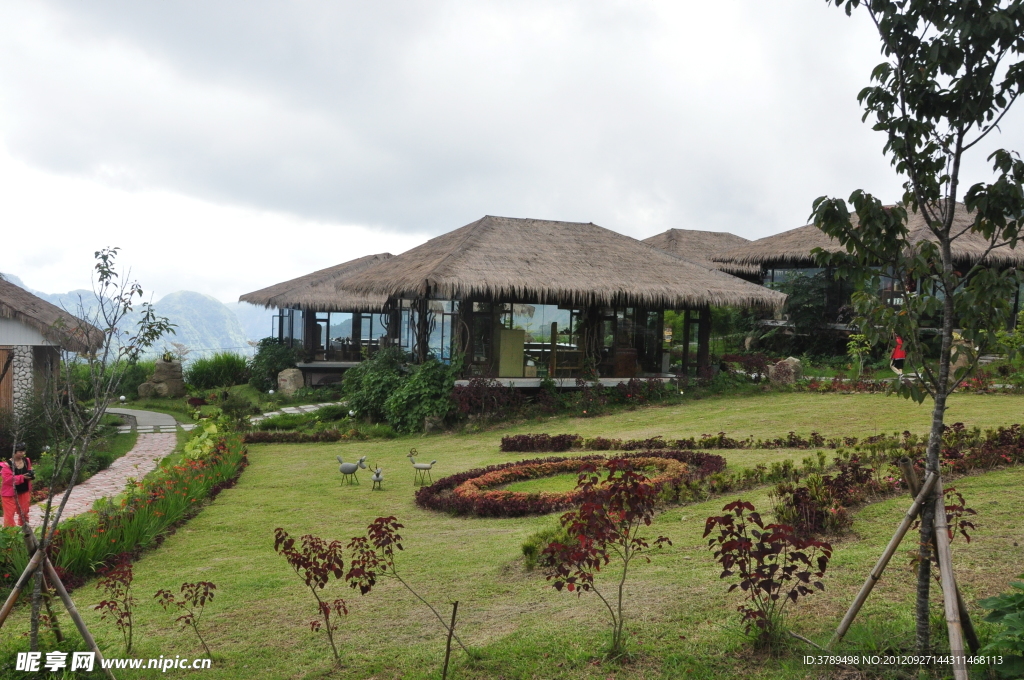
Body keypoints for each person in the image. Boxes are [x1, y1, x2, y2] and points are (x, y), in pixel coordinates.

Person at [1, 442, 34, 527]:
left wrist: (31, 476)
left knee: (24, 512)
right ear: (14, 452)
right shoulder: (6, 465)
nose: (22, 453)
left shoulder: (26, 461)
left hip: (24, 490)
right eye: (20, 452)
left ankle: (25, 532)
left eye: (23, 451)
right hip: (9, 494)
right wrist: (22, 477)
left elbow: (29, 470)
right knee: (9, 515)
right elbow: (8, 479)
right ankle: (11, 535)